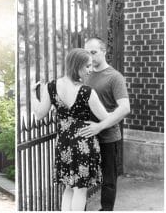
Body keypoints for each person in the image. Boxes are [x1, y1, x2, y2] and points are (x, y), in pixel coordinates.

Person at [31, 48, 111, 211]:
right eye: (87, 66)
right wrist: (98, 126)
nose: (90, 70)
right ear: (77, 66)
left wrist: (33, 93)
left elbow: (39, 114)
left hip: (64, 145)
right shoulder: (87, 92)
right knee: (80, 190)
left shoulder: (51, 87)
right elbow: (106, 118)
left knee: (69, 188)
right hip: (84, 144)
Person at [81, 37, 130, 211]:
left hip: (108, 137)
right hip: (86, 136)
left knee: (108, 180)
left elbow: (125, 108)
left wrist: (100, 126)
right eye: (86, 52)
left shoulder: (115, 77)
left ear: (104, 51)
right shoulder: (84, 74)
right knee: (82, 179)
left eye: (93, 52)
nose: (89, 56)